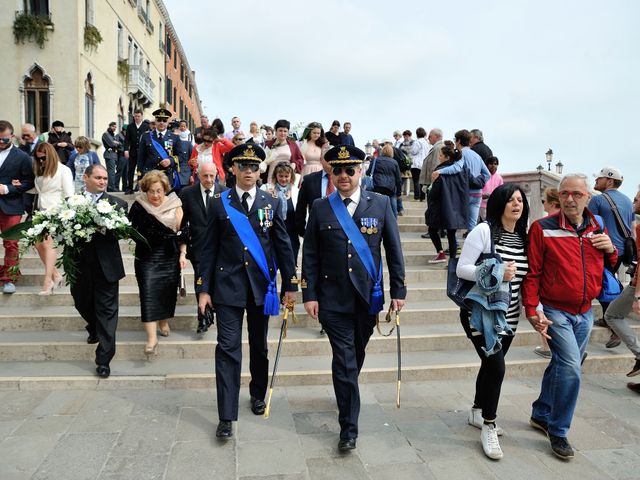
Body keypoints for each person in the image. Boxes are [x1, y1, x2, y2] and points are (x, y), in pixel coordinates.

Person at [302, 145, 406, 452]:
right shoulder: (321, 207)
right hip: (332, 300)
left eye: (350, 170)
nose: (344, 175)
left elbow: (394, 251)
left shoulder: (381, 203)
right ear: (331, 173)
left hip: (366, 300)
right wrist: (309, 294)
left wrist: (398, 291)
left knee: (355, 356)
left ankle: (346, 390)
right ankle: (348, 428)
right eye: (338, 170)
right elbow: (310, 254)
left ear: (360, 171)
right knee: (345, 361)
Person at [196, 143, 298, 439]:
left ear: (260, 170)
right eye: (244, 166)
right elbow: (207, 249)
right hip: (226, 287)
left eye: (254, 167)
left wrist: (290, 284)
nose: (249, 171)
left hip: (260, 288)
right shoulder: (219, 202)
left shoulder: (270, 201)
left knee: (259, 346)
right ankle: (226, 415)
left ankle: (257, 393)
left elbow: (282, 244)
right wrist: (203, 289)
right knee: (227, 349)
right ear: (234, 169)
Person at [523, 173, 617, 460]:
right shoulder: (542, 228)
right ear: (558, 197)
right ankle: (559, 430)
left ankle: (541, 412)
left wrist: (611, 249)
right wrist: (531, 310)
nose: (570, 199)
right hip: (555, 311)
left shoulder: (597, 226)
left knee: (562, 365)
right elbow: (533, 273)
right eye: (564, 193)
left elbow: (612, 262)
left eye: (576, 193)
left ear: (588, 196)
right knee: (572, 368)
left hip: (585, 311)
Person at [457, 184, 530, 460]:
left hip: (509, 316)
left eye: (520, 200)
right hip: (480, 315)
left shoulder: (523, 237)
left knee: (490, 366)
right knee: (497, 368)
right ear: (499, 202)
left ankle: (477, 409)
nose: (516, 204)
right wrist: (498, 273)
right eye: (511, 199)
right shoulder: (484, 231)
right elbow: (463, 268)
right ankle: (489, 424)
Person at [70, 164, 128, 378]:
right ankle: (93, 326)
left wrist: (102, 227)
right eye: (98, 178)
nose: (103, 181)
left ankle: (104, 360)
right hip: (80, 266)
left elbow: (121, 232)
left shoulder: (118, 204)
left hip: (107, 268)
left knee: (107, 314)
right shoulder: (71, 203)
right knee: (81, 302)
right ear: (86, 178)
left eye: (105, 178)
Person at [128, 170, 185, 356]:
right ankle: (152, 338)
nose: (155, 195)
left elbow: (182, 232)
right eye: (151, 191)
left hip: (169, 256)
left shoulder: (175, 204)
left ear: (165, 190)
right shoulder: (138, 206)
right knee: (149, 294)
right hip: (146, 257)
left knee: (167, 293)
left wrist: (183, 254)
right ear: (145, 190)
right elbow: (132, 231)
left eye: (159, 191)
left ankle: (163, 320)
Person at [589, 166, 635, 348]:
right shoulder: (628, 201)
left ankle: (614, 326)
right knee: (610, 283)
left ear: (609, 181)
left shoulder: (598, 200)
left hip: (605, 249)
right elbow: (632, 229)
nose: (595, 182)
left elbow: (590, 225)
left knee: (605, 286)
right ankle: (607, 319)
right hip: (623, 250)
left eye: (598, 179)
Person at [179, 162, 227, 333]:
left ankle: (216, 311)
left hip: (221, 247)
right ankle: (203, 317)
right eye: (205, 176)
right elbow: (182, 223)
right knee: (201, 281)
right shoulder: (187, 193)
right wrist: (183, 249)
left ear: (217, 175)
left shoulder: (225, 193)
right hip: (198, 247)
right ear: (197, 175)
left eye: (211, 176)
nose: (208, 179)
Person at [603, 189, 640, 379]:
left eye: (636, 199)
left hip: (637, 286)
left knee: (612, 315)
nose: (633, 202)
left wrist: (637, 295)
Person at [31, 142, 74, 294]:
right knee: (37, 245)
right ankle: (56, 275)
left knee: (48, 244)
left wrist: (67, 216)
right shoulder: (40, 171)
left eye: (44, 158)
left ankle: (47, 282)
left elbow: (69, 194)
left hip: (57, 212)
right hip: (41, 212)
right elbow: (40, 190)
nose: (41, 161)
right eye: (39, 159)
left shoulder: (64, 170)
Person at [0, 120, 36, 294]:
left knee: (11, 243)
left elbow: (29, 182)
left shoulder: (22, 157)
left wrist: (8, 188)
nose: (0, 143)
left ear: (12, 136)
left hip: (12, 205)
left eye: (4, 140)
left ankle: (9, 279)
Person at [432, 129, 490, 232]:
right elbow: (487, 174)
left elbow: (456, 168)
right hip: (477, 194)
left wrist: (439, 172)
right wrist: (478, 181)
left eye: (455, 140)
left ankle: (456, 246)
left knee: (455, 221)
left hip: (464, 193)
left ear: (458, 141)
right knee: (472, 225)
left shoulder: (461, 154)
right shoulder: (476, 156)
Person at [425, 145, 468, 263]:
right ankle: (453, 261)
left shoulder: (440, 171)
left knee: (432, 229)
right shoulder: (460, 170)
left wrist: (428, 191)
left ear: (447, 157)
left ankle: (440, 253)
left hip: (440, 206)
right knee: (451, 234)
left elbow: (434, 192)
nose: (439, 157)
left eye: (440, 155)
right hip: (456, 206)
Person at [532, 188, 561, 359]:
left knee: (542, 313)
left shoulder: (544, 224)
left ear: (551, 203)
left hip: (547, 279)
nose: (543, 204)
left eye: (543, 201)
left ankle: (547, 346)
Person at [261, 162, 300, 262]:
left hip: (291, 235)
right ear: (275, 176)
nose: (283, 179)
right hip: (272, 236)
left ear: (291, 176)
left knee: (291, 266)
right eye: (280, 176)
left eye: (286, 176)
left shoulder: (296, 192)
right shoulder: (266, 189)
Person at [137, 108, 182, 188]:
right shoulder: (146, 136)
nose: (161, 123)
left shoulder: (175, 137)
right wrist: (140, 176)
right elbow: (141, 157)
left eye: (164, 121)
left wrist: (170, 161)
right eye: (159, 120)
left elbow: (181, 156)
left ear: (168, 122)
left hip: (167, 175)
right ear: (155, 121)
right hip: (149, 174)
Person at [367, 144, 402, 217]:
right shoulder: (394, 162)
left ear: (382, 151)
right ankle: (393, 223)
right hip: (390, 188)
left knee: (376, 206)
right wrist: (398, 193)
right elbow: (398, 179)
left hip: (377, 186)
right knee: (393, 207)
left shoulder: (376, 160)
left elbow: (368, 172)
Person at [124, 109, 149, 194]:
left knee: (140, 170)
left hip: (143, 153)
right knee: (130, 170)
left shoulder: (146, 126)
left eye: (138, 116)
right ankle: (129, 188)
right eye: (135, 116)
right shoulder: (130, 126)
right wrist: (126, 150)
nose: (137, 118)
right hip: (133, 152)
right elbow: (127, 139)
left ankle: (140, 187)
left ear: (142, 116)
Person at [479, 156, 504, 221]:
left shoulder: (499, 178)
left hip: (494, 206)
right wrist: (482, 195)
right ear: (486, 165)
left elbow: (501, 193)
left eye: (495, 164)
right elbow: (477, 190)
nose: (493, 166)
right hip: (481, 206)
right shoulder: (481, 176)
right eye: (491, 164)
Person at [102, 122, 123, 192]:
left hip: (114, 155)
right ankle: (111, 187)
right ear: (110, 126)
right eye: (113, 126)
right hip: (109, 154)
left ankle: (112, 187)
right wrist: (115, 143)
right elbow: (111, 144)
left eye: (115, 127)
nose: (114, 128)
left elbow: (119, 144)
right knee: (111, 172)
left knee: (113, 172)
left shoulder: (112, 135)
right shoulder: (106, 134)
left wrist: (117, 143)